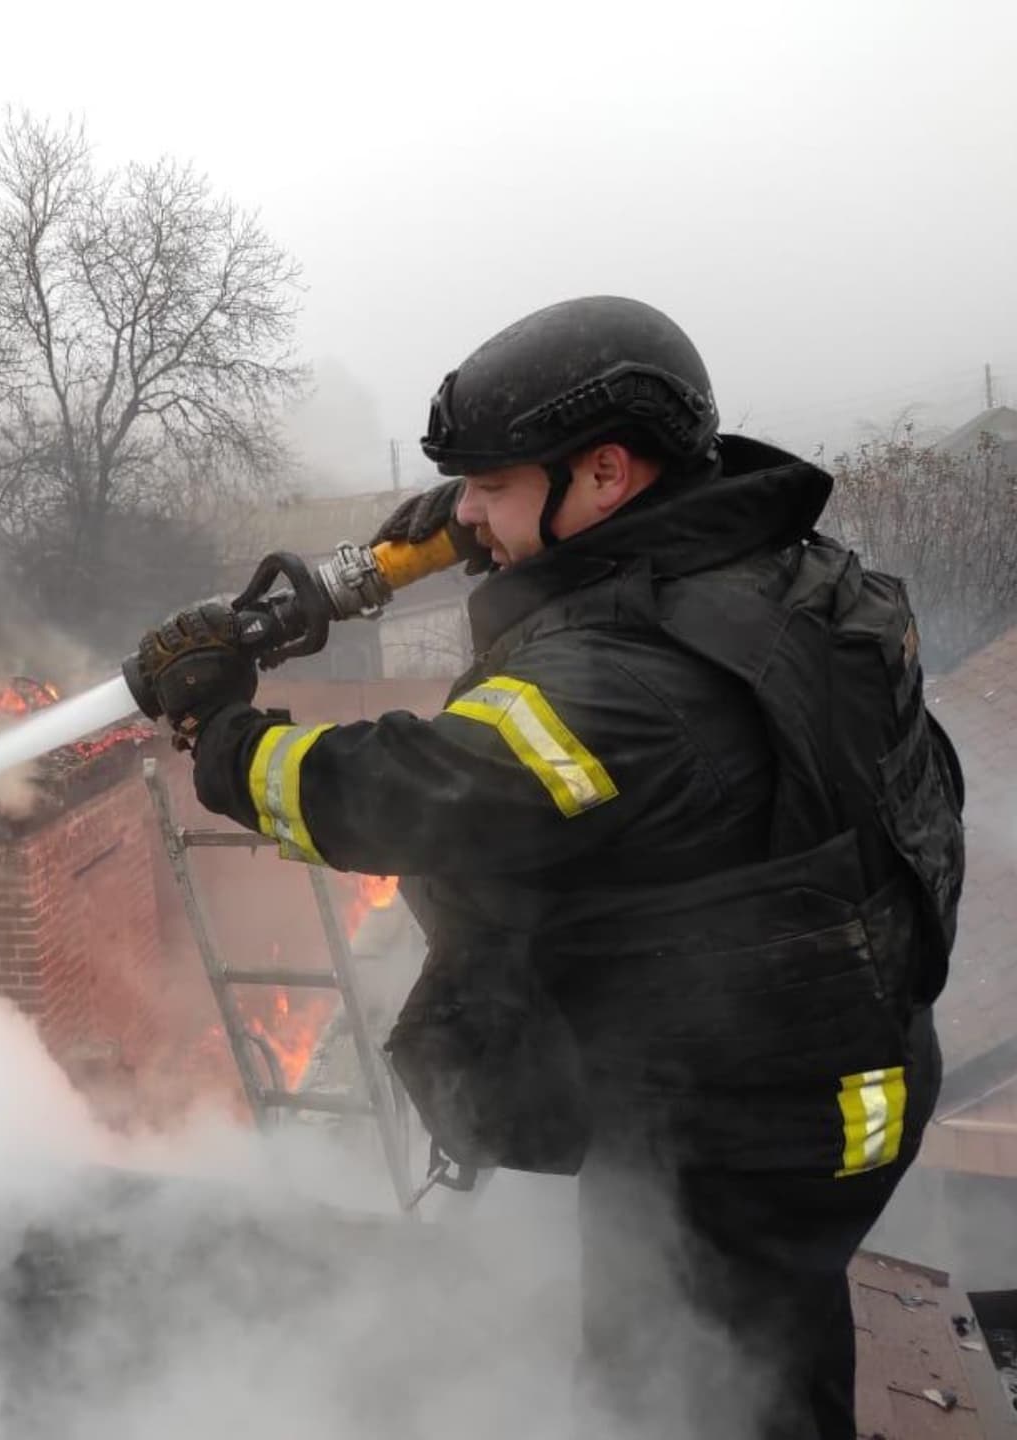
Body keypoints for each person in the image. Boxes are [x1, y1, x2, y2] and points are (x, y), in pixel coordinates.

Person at [131, 295, 965, 1439]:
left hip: (747, 1129)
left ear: (607, 474)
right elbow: (508, 539)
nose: (468, 516)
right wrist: (381, 564)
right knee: (767, 1348)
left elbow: (399, 797)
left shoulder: (628, 687)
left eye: (491, 485)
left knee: (683, 1394)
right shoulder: (757, 554)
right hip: (830, 1068)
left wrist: (225, 734)